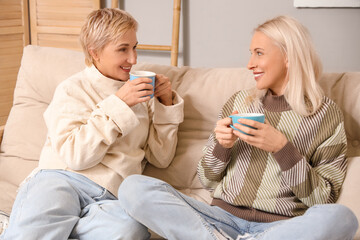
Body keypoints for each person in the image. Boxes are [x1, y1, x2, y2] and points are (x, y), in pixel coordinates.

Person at [117, 15, 358, 239]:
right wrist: (221, 146)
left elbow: (323, 199)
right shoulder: (240, 102)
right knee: (133, 188)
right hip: (219, 218)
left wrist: (282, 148)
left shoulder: (325, 114)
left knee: (342, 218)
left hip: (281, 227)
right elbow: (208, 180)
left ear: (289, 56)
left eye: (259, 53)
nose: (250, 64)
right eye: (251, 53)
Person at [1, 8, 183, 240]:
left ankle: (29, 224)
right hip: (62, 180)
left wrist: (166, 104)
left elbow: (162, 158)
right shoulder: (72, 89)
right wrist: (119, 104)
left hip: (111, 197)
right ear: (94, 52)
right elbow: (76, 156)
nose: (133, 59)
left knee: (129, 231)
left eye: (134, 47)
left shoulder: (143, 94)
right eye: (123, 49)